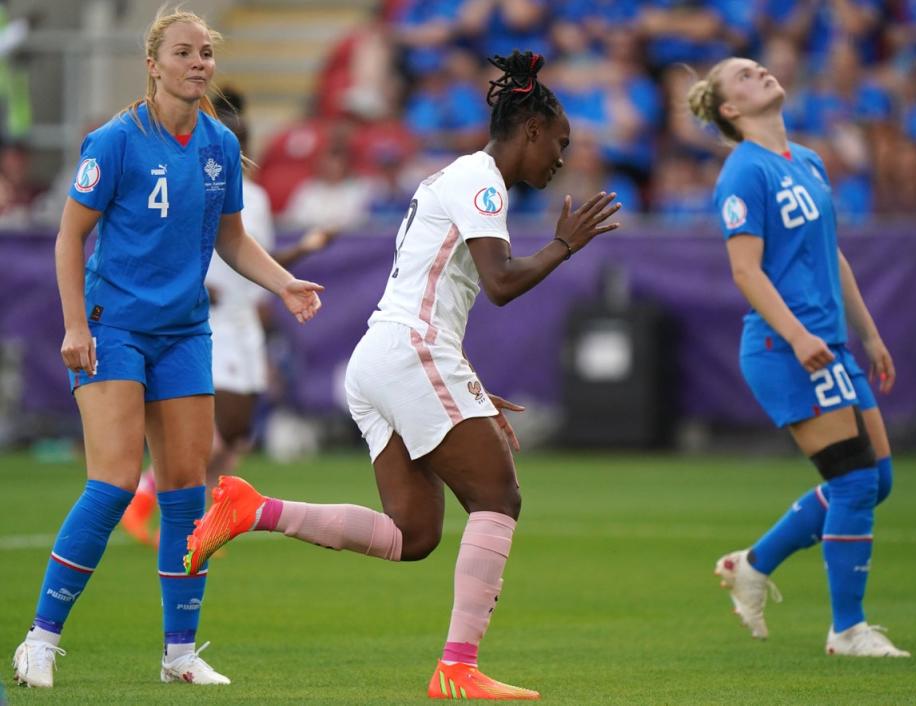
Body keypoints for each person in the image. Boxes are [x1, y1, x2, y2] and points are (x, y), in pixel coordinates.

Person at [182, 50, 621, 700]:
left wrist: (465, 385)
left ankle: (253, 508)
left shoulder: (456, 177)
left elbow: (434, 290)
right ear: (528, 130)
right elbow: (498, 284)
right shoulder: (482, 181)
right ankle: (457, 669)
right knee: (499, 498)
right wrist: (563, 246)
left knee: (412, 535)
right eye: (558, 143)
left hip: (387, 355)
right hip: (411, 352)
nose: (560, 159)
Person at [11, 9, 323, 689]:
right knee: (115, 481)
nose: (198, 63)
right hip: (114, 326)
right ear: (153, 64)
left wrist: (283, 282)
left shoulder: (215, 144)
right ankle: (40, 638)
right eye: (184, 53)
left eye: (205, 53)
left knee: (188, 489)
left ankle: (179, 655)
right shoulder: (115, 142)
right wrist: (75, 327)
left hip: (183, 332)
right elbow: (69, 238)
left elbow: (231, 238)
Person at [687, 57, 909, 657]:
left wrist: (868, 333)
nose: (757, 69)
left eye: (754, 65)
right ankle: (848, 629)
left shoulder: (806, 162)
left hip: (828, 343)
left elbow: (831, 257)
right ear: (730, 110)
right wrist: (797, 336)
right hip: (784, 348)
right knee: (855, 480)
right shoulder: (743, 173)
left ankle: (754, 564)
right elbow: (744, 270)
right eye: (741, 74)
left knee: (876, 480)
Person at [118, 90, 336, 547]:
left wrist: (298, 259)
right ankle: (143, 497)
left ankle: (206, 524)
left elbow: (253, 254)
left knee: (237, 435)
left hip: (244, 321)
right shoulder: (196, 184)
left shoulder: (251, 196)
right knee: (217, 434)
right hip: (212, 321)